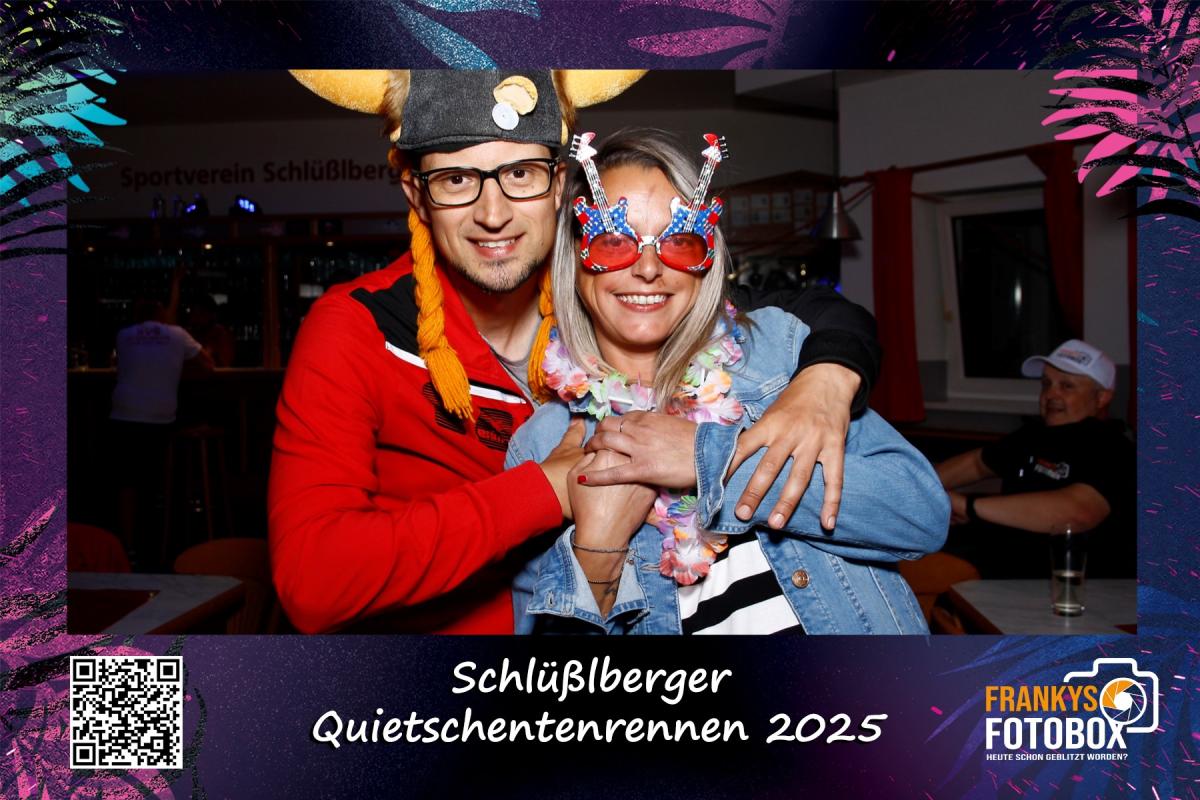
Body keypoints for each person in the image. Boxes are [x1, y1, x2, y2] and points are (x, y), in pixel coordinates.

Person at [269, 70, 882, 634]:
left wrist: (826, 381)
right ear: (415, 191)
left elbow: (799, 310)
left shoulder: (605, 293)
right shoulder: (357, 328)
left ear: (559, 184)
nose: (492, 213)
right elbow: (313, 582)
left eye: (521, 174)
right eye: (456, 179)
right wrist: (548, 488)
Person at [505, 128, 948, 634]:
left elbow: (920, 516)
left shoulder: (779, 353)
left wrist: (710, 460)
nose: (648, 269)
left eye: (678, 240)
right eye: (612, 241)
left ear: (706, 255)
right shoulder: (541, 446)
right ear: (574, 256)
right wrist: (597, 550)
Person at [936, 339, 1134, 578]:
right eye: (1046, 384)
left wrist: (968, 506)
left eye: (1066, 386)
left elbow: (1077, 511)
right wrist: (916, 484)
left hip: (1076, 585)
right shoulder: (1033, 435)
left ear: (1101, 397)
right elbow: (977, 463)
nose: (1051, 394)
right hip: (1009, 570)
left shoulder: (1114, 448)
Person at [110, 263, 214, 567]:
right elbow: (208, 366)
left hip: (123, 414)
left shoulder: (123, 335)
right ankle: (160, 544)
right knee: (155, 484)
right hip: (160, 419)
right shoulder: (178, 334)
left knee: (127, 482)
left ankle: (128, 546)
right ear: (162, 312)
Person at [185, 294, 236, 367]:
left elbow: (224, 364)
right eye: (193, 313)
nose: (195, 318)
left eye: (201, 314)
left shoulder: (221, 334)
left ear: (211, 315)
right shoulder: (188, 334)